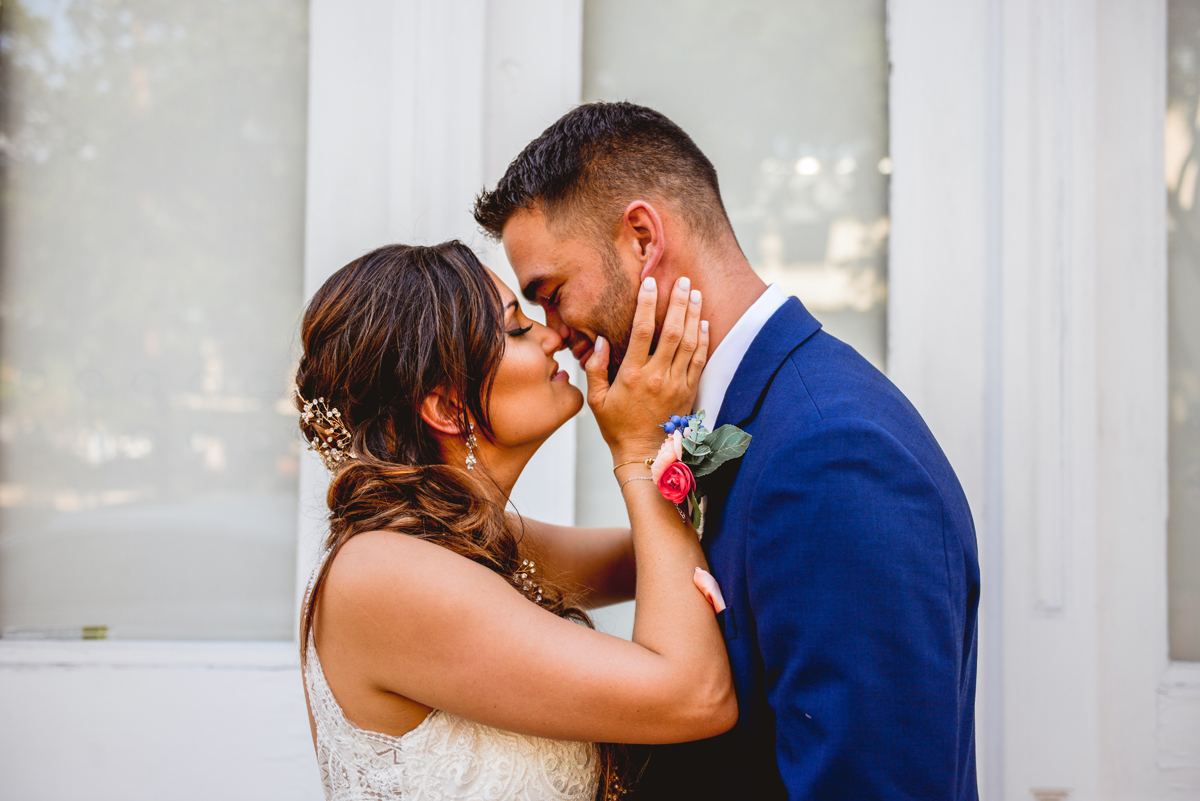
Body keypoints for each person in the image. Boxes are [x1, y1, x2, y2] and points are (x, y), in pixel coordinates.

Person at [475, 102, 980, 800]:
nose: (554, 334)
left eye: (553, 294)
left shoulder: (833, 453)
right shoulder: (741, 422)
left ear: (643, 238)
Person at [293, 240, 736, 801]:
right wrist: (638, 451)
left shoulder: (465, 541)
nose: (553, 335)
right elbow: (696, 696)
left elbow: (658, 556)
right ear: (448, 408)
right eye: (519, 330)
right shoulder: (386, 571)